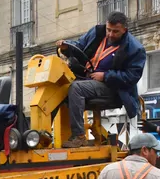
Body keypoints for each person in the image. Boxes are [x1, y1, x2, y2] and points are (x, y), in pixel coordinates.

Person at [58, 12, 147, 149]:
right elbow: (79, 46)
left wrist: (105, 76)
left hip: (114, 90)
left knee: (76, 88)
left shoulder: (135, 49)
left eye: (115, 31)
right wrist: (67, 47)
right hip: (87, 80)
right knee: (59, 86)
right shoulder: (97, 33)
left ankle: (79, 136)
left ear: (124, 29)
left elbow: (131, 77)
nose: (110, 34)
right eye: (108, 30)